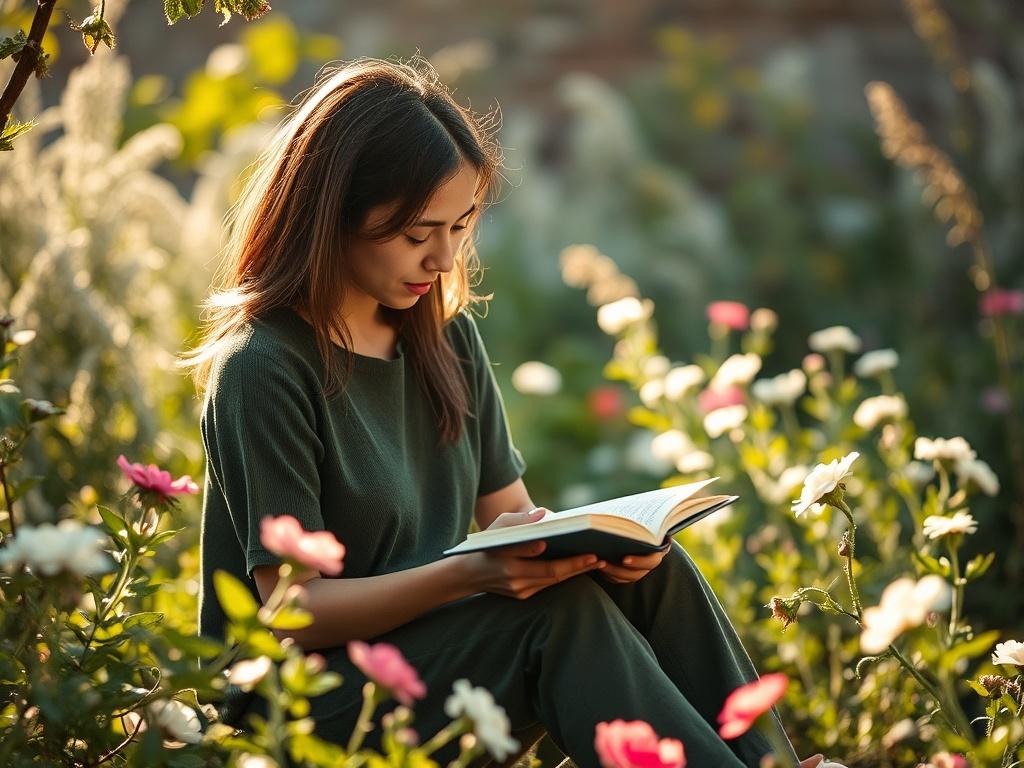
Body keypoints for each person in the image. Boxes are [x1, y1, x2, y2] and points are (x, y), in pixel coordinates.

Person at [179, 56, 811, 768]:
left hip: (439, 651)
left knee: (654, 572)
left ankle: (771, 765)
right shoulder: (263, 368)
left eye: (460, 227)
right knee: (553, 621)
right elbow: (292, 615)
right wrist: (470, 575)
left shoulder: (446, 341)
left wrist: (596, 550)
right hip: (302, 699)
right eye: (418, 235)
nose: (444, 259)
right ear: (336, 217)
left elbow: (512, 515)